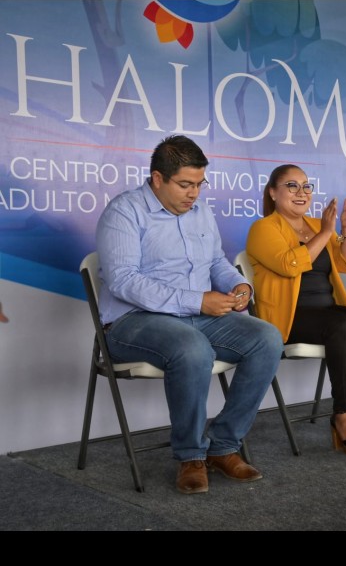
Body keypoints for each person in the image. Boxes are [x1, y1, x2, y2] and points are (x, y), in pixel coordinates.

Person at [96, 134, 284, 495]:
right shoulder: (124, 212)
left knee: (267, 339)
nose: (194, 193)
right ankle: (191, 456)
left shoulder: (201, 212)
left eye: (199, 184)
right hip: (132, 322)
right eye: (185, 185)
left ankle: (223, 446)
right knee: (192, 348)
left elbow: (215, 262)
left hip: (195, 318)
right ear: (157, 179)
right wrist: (197, 301)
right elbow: (124, 281)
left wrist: (240, 285)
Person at [246, 164, 346, 455]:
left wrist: (345, 230)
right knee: (341, 325)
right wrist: (326, 232)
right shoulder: (263, 228)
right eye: (291, 186)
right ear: (273, 192)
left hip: (326, 311)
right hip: (287, 317)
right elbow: (289, 265)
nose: (301, 192)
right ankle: (343, 413)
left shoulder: (314, 225)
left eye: (306, 186)